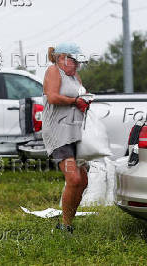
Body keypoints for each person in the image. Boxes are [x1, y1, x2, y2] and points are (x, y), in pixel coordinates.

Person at [42, 43, 90, 233]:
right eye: (74, 60)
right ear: (62, 58)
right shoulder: (54, 71)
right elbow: (52, 97)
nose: (77, 65)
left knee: (83, 181)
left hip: (76, 132)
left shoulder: (75, 76)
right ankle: (66, 225)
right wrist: (75, 101)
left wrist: (86, 101)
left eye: (79, 62)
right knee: (74, 178)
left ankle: (68, 220)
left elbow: (80, 96)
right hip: (58, 132)